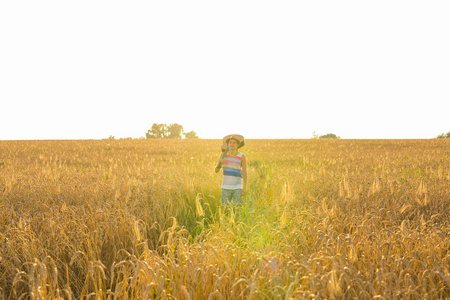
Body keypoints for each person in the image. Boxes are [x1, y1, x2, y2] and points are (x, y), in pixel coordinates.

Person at [215, 134, 247, 206]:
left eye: (234, 143)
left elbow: (244, 172)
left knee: (237, 208)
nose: (232, 144)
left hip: (237, 187)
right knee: (225, 209)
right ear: (228, 144)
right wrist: (219, 163)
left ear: (237, 145)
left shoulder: (242, 156)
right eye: (230, 142)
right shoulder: (223, 155)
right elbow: (216, 171)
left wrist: (244, 187)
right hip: (225, 187)